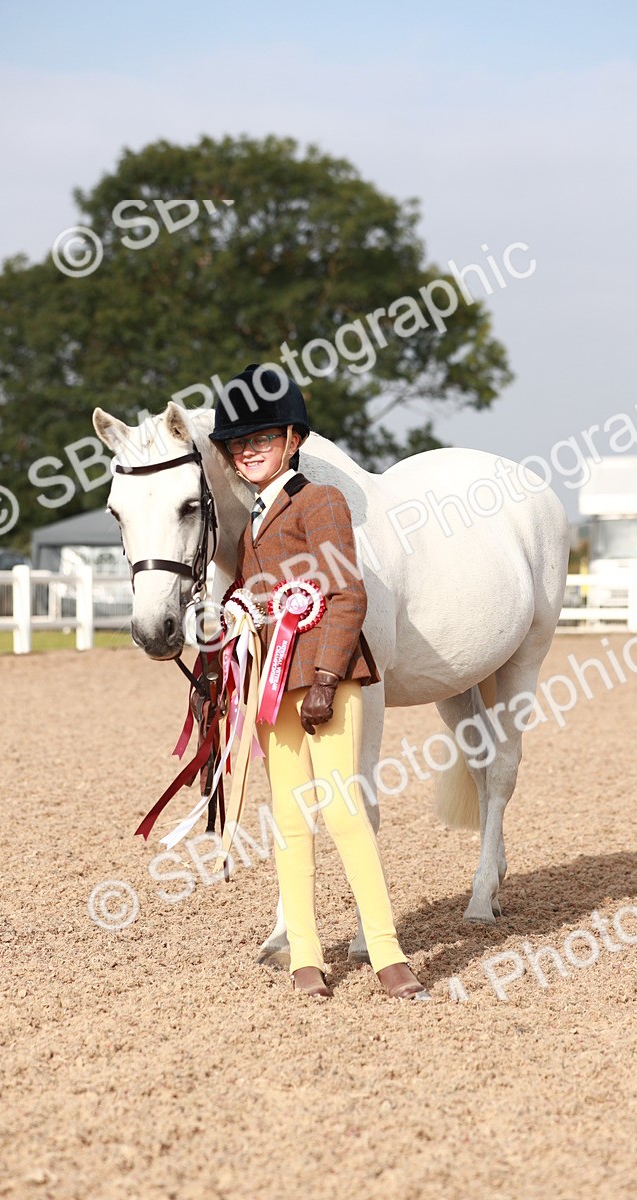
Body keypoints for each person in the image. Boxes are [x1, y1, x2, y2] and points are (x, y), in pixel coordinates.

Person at [210, 364, 429, 1001]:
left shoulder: (321, 501)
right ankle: (306, 952)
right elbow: (258, 602)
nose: (248, 450)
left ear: (293, 439)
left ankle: (386, 949)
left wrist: (329, 677)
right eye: (239, 443)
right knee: (288, 817)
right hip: (272, 689)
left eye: (261, 438)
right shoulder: (251, 523)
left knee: (343, 810)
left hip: (326, 680)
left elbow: (346, 594)